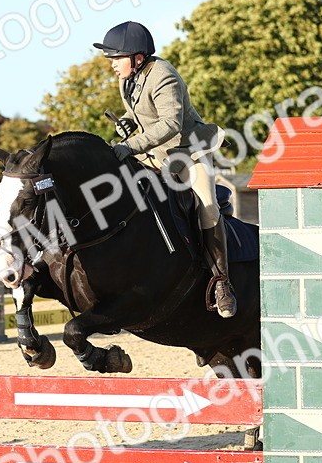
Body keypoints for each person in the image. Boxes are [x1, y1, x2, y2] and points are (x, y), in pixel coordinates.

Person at [94, 20, 237, 318]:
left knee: (208, 207)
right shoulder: (128, 79)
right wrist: (128, 122)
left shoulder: (164, 75)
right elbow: (140, 112)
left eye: (116, 58)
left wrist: (131, 146)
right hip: (153, 154)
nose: (112, 64)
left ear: (138, 57)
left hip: (187, 151)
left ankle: (222, 283)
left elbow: (171, 124)